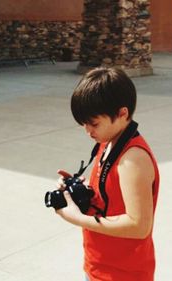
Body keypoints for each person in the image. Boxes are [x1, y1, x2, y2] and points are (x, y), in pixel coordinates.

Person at [53, 67, 160, 281]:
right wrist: (82, 192)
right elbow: (111, 199)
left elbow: (138, 226)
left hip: (122, 274)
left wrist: (79, 218)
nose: (88, 131)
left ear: (122, 113)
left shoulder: (132, 159)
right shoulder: (109, 142)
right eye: (84, 124)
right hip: (99, 265)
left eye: (94, 123)